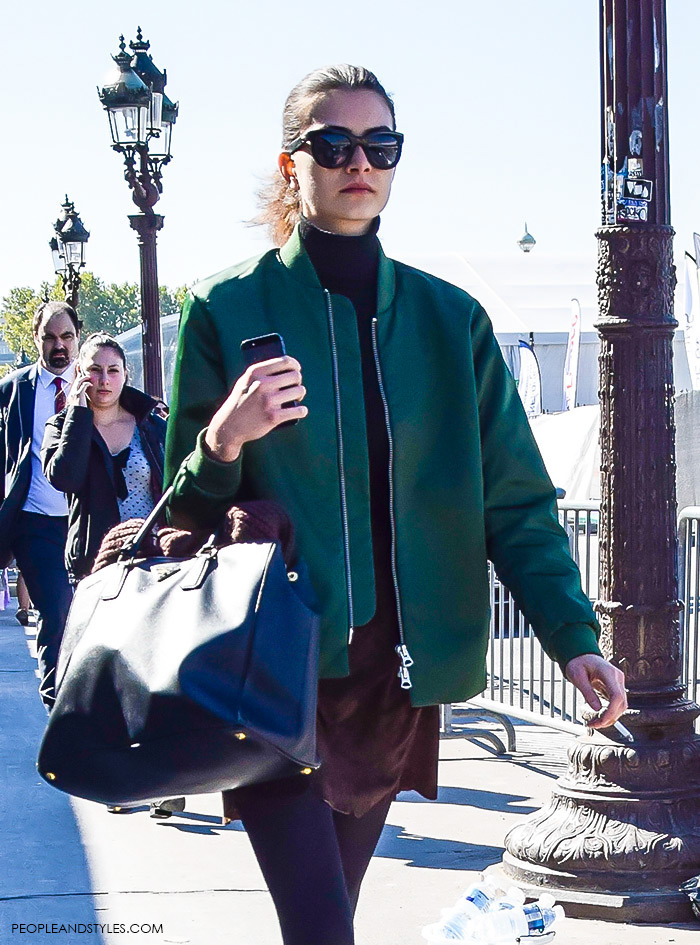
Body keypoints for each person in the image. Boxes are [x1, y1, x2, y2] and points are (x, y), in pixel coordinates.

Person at [163, 65, 628, 945]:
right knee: (322, 927)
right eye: (333, 144)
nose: (358, 162)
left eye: (381, 145)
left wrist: (572, 640)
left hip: (396, 678)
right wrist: (224, 439)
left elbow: (516, 504)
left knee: (329, 917)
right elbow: (181, 517)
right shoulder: (226, 308)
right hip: (277, 668)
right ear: (292, 162)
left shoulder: (450, 321)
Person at [41, 332, 183, 819]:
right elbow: (66, 477)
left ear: (126, 376)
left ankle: (164, 779)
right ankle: (120, 781)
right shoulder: (62, 425)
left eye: (113, 371)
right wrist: (80, 415)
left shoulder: (151, 423)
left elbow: (179, 480)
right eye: (93, 370)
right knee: (110, 676)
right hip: (99, 565)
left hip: (156, 561)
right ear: (80, 374)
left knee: (158, 670)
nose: (103, 380)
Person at [0, 301, 78, 708]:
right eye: (49, 337)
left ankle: (87, 698)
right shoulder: (14, 389)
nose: (58, 345)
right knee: (57, 607)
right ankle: (55, 702)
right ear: (36, 340)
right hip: (35, 520)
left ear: (77, 338)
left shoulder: (95, 383)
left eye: (66, 336)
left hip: (85, 522)